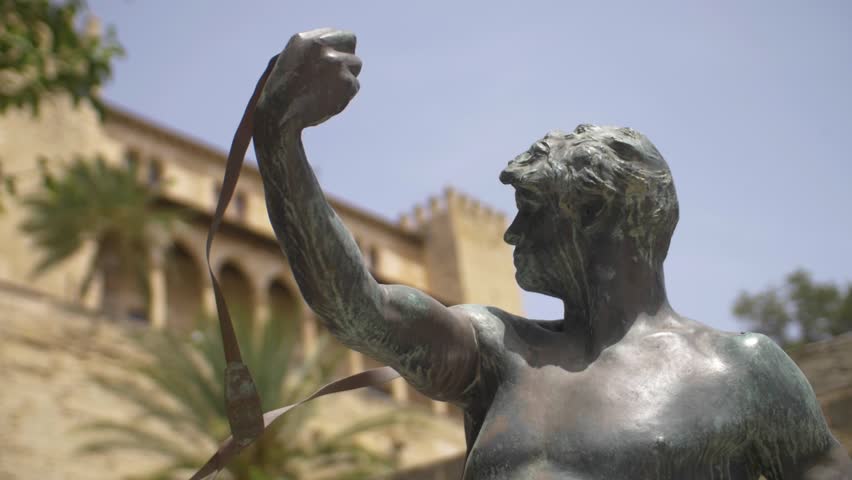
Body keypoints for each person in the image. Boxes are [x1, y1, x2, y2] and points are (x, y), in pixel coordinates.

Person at [251, 28, 852, 479]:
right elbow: (361, 311)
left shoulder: (747, 374)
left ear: (591, 215)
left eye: (531, 209)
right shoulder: (501, 353)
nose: (510, 235)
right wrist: (277, 135)